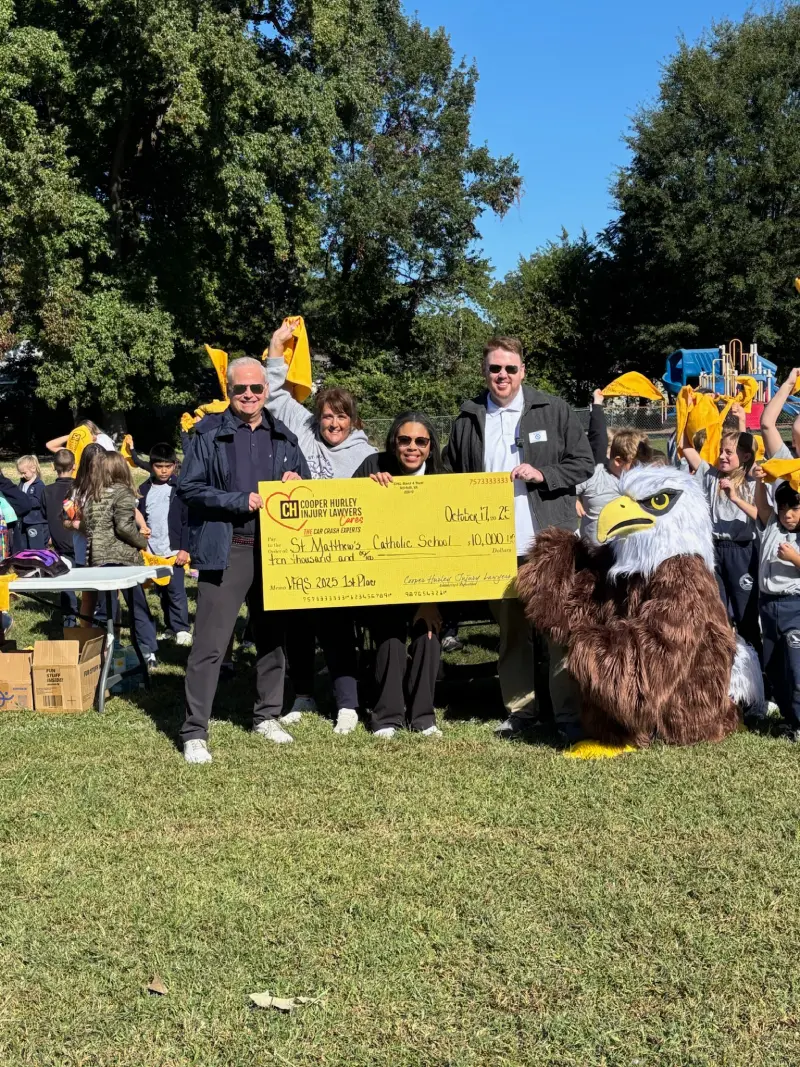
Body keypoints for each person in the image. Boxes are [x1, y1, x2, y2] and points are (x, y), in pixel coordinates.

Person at [443, 336, 594, 740]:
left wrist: (544, 474)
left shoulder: (554, 409)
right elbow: (449, 476)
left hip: (549, 542)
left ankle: (567, 716)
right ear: (484, 372)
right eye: (495, 368)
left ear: (523, 371)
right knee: (511, 635)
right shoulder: (468, 418)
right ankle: (521, 712)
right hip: (494, 545)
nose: (503, 375)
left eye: (510, 368)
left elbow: (584, 463)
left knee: (559, 631)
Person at [177, 356, 310, 764]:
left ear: (266, 390)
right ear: (229, 390)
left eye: (256, 388)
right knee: (210, 644)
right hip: (227, 548)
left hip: (275, 551)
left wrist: (298, 482)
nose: (249, 395)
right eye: (240, 389)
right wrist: (237, 500)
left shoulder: (285, 435)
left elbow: (306, 488)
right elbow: (188, 488)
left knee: (272, 639)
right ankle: (194, 730)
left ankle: (267, 715)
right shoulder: (206, 433)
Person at [264, 321, 377, 726]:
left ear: (353, 421)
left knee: (336, 628)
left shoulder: (366, 454)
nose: (333, 424)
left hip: (340, 558)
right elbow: (273, 396)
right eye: (328, 416)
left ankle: (347, 704)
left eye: (341, 417)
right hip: (297, 549)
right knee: (297, 626)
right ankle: (304, 696)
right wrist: (276, 346)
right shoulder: (305, 430)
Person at [353, 412, 445, 738]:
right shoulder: (372, 465)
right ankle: (387, 717)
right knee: (389, 635)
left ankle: (423, 717)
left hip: (431, 578)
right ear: (394, 441)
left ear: (431, 447)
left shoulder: (444, 478)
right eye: (404, 440)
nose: (412, 447)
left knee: (428, 634)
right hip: (382, 578)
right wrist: (368, 489)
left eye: (420, 441)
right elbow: (349, 514)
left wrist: (430, 599)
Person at [682, 407, 761, 656]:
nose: (722, 456)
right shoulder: (711, 475)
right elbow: (687, 449)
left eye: (729, 452)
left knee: (745, 615)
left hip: (743, 552)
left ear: (745, 457)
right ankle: (724, 662)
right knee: (718, 613)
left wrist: (735, 497)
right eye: (720, 451)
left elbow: (761, 516)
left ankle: (755, 665)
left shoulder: (751, 479)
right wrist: (686, 409)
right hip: (715, 550)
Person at [82, 450, 159, 661]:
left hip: (98, 557)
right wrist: (142, 541)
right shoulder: (123, 492)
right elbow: (124, 527)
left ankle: (105, 651)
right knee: (137, 605)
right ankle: (147, 650)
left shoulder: (93, 494)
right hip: (122, 557)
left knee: (107, 608)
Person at [576, 390, 655, 545]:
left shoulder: (641, 481)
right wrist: (574, 500)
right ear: (618, 461)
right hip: (593, 552)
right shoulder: (594, 475)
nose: (640, 469)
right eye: (635, 464)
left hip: (627, 552)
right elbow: (569, 490)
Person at [755, 474, 800, 740]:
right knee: (774, 666)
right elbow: (762, 505)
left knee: (796, 669)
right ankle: (789, 718)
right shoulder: (773, 525)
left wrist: (794, 558)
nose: (787, 515)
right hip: (769, 606)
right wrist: (760, 481)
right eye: (782, 509)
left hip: (795, 607)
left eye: (794, 508)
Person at [138, 442, 192, 646]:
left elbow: (187, 522)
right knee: (162, 592)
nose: (163, 470)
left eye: (168, 466)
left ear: (174, 465)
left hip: (174, 550)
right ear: (151, 466)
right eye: (159, 466)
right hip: (153, 551)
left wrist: (184, 549)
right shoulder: (143, 490)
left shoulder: (180, 489)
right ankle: (170, 626)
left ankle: (182, 629)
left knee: (176, 591)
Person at [43, 448, 79, 626]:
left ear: (53, 466)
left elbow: (43, 517)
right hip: (82, 541)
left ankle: (69, 619)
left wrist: (48, 537)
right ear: (75, 466)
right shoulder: (81, 488)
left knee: (65, 580)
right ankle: (94, 618)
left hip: (60, 543)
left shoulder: (47, 491)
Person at [15, 455, 49, 550]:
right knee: (23, 547)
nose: (22, 475)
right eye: (21, 473)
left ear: (33, 468)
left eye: (24, 473)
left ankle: (38, 559)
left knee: (36, 547)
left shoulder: (39, 485)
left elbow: (38, 501)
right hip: (23, 521)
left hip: (35, 522)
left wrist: (23, 500)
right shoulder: (22, 483)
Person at [46, 419, 116, 454]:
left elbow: (111, 457)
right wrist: (73, 435)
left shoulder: (102, 438)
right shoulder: (76, 449)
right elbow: (50, 445)